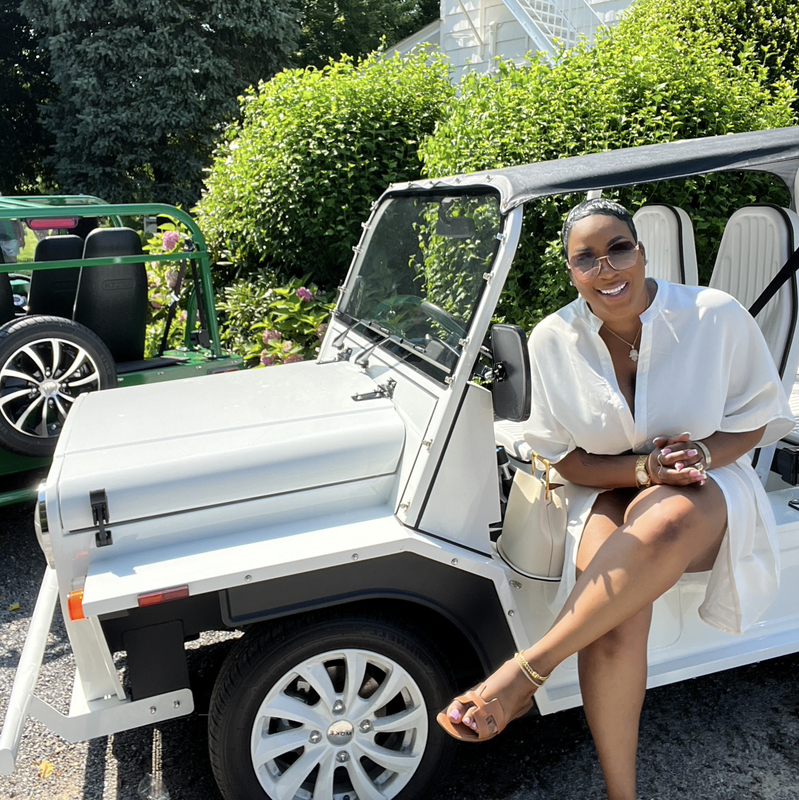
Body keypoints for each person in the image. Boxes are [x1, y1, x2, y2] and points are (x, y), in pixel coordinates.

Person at [437, 198, 795, 800]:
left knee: (665, 521)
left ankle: (525, 673)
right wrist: (641, 469)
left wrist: (699, 456)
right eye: (587, 258)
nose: (606, 269)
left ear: (641, 251)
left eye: (618, 249)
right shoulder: (554, 339)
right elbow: (564, 457)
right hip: (603, 485)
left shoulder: (713, 315)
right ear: (571, 270)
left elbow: (755, 420)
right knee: (612, 622)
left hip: (709, 482)